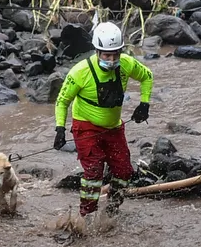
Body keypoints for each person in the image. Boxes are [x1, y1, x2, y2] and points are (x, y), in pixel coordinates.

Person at [53, 22, 153, 218]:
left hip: (114, 128)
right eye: (107, 55)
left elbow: (147, 76)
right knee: (94, 171)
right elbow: (62, 101)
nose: (112, 60)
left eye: (116, 54)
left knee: (124, 171)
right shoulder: (80, 72)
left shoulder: (127, 64)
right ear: (97, 51)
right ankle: (87, 216)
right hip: (85, 127)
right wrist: (60, 129)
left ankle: (112, 209)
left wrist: (144, 104)